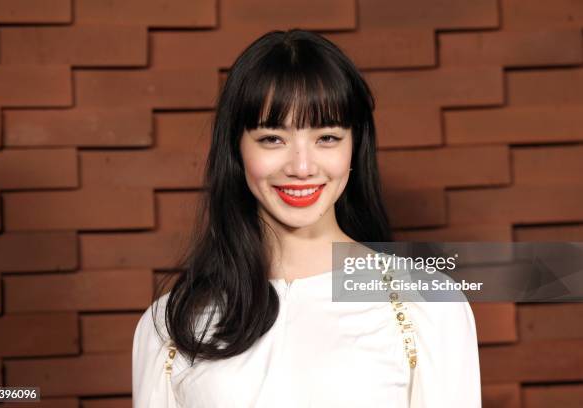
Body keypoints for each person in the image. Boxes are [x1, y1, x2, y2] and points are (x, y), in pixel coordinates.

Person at [132, 29, 481, 407]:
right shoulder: (174, 323)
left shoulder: (428, 306)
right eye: (272, 139)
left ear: (355, 148)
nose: (301, 167)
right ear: (236, 149)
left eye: (327, 137)